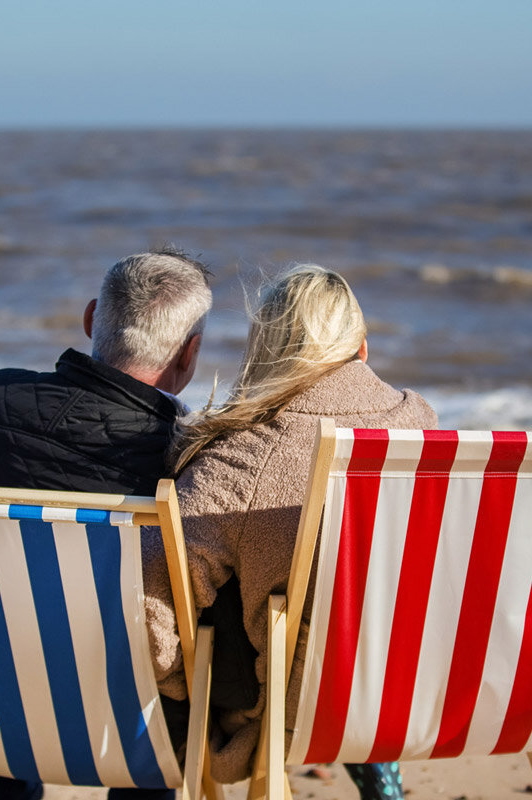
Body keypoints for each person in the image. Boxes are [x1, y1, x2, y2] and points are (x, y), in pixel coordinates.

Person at [143, 264, 437, 798]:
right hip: (423, 686)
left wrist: (182, 686)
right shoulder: (422, 425)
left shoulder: (243, 457)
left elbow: (151, 607)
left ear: (265, 351)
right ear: (362, 349)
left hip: (297, 708)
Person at [0, 247, 213, 800]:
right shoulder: (182, 455)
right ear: (189, 354)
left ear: (93, 318)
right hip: (126, 720)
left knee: (10, 618)